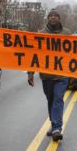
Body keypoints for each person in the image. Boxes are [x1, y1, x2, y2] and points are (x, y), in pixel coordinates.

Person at [27, 9, 71, 142]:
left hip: (62, 75)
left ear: (59, 18)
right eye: (51, 16)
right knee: (51, 101)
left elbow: (75, 53)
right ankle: (54, 125)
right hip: (46, 76)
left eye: (55, 16)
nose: (53, 18)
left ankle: (57, 128)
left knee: (58, 99)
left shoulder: (67, 33)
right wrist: (30, 73)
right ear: (48, 18)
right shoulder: (41, 34)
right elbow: (34, 54)